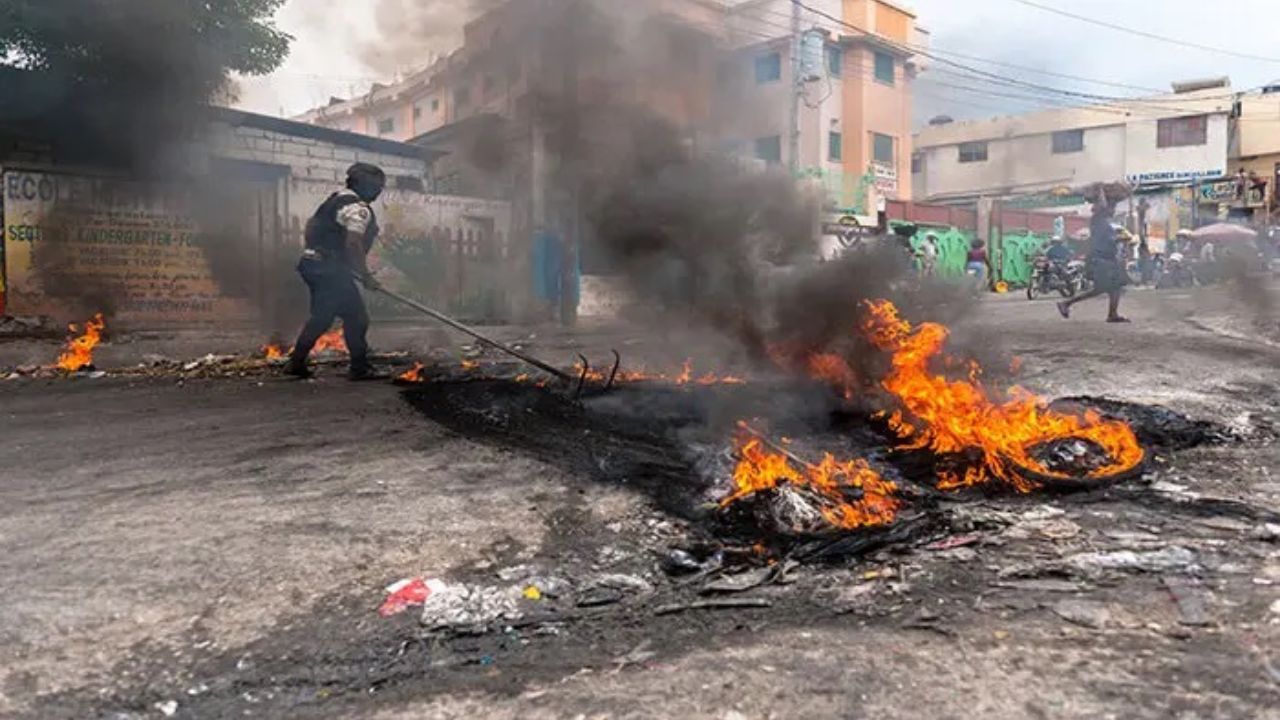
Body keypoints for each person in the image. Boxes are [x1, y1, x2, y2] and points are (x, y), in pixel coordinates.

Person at [284, 162, 388, 380]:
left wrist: (337, 263)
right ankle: (359, 368)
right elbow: (353, 243)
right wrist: (365, 275)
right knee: (356, 317)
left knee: (323, 316)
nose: (379, 191)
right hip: (328, 270)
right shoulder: (357, 209)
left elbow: (313, 230)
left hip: (312, 264)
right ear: (364, 185)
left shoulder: (333, 201)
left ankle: (296, 363)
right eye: (377, 186)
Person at [1058, 184, 1130, 322]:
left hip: (1108, 259)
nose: (1113, 210)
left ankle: (1112, 314)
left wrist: (1117, 239)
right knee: (1100, 289)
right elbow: (1102, 206)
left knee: (1116, 287)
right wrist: (1101, 189)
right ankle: (1066, 303)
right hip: (1101, 259)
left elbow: (1108, 240)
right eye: (1111, 207)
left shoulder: (1104, 223)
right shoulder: (1098, 219)